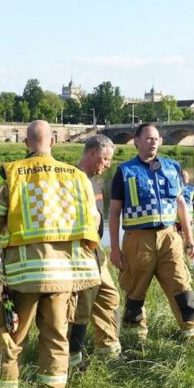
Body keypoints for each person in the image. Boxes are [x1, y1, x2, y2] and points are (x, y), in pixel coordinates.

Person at [0, 120, 101, 388]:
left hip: (25, 273)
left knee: (12, 336)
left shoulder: (9, 173)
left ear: (26, 143)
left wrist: (7, 234)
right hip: (64, 273)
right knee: (56, 335)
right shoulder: (77, 176)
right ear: (54, 142)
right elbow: (94, 221)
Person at [109, 123, 194, 346]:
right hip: (138, 240)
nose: (153, 142)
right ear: (136, 141)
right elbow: (114, 213)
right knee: (135, 291)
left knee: (181, 287)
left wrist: (189, 237)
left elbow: (181, 204)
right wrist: (115, 248)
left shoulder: (172, 167)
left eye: (156, 138)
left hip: (169, 237)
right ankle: (135, 342)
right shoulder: (124, 171)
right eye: (148, 138)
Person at [69, 135, 122, 369]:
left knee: (110, 297)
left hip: (96, 252)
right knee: (81, 308)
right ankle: (73, 360)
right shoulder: (71, 179)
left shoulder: (94, 181)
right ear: (91, 153)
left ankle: (108, 351)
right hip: (79, 252)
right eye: (105, 158)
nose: (108, 164)